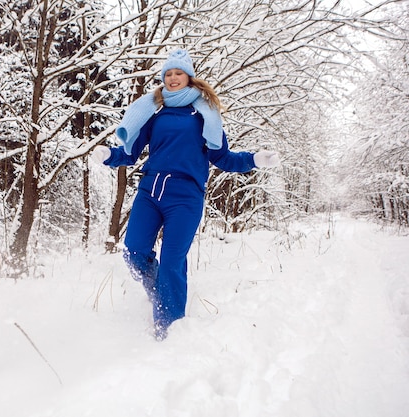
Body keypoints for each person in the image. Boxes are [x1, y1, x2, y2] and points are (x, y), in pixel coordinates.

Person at [91, 49, 280, 340]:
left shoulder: (204, 114)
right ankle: (159, 293)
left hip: (186, 196)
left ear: (189, 77)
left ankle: (168, 330)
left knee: (172, 262)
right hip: (151, 190)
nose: (173, 78)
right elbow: (130, 152)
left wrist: (255, 159)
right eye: (168, 74)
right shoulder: (155, 113)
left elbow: (223, 158)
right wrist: (108, 155)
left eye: (178, 73)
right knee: (134, 251)